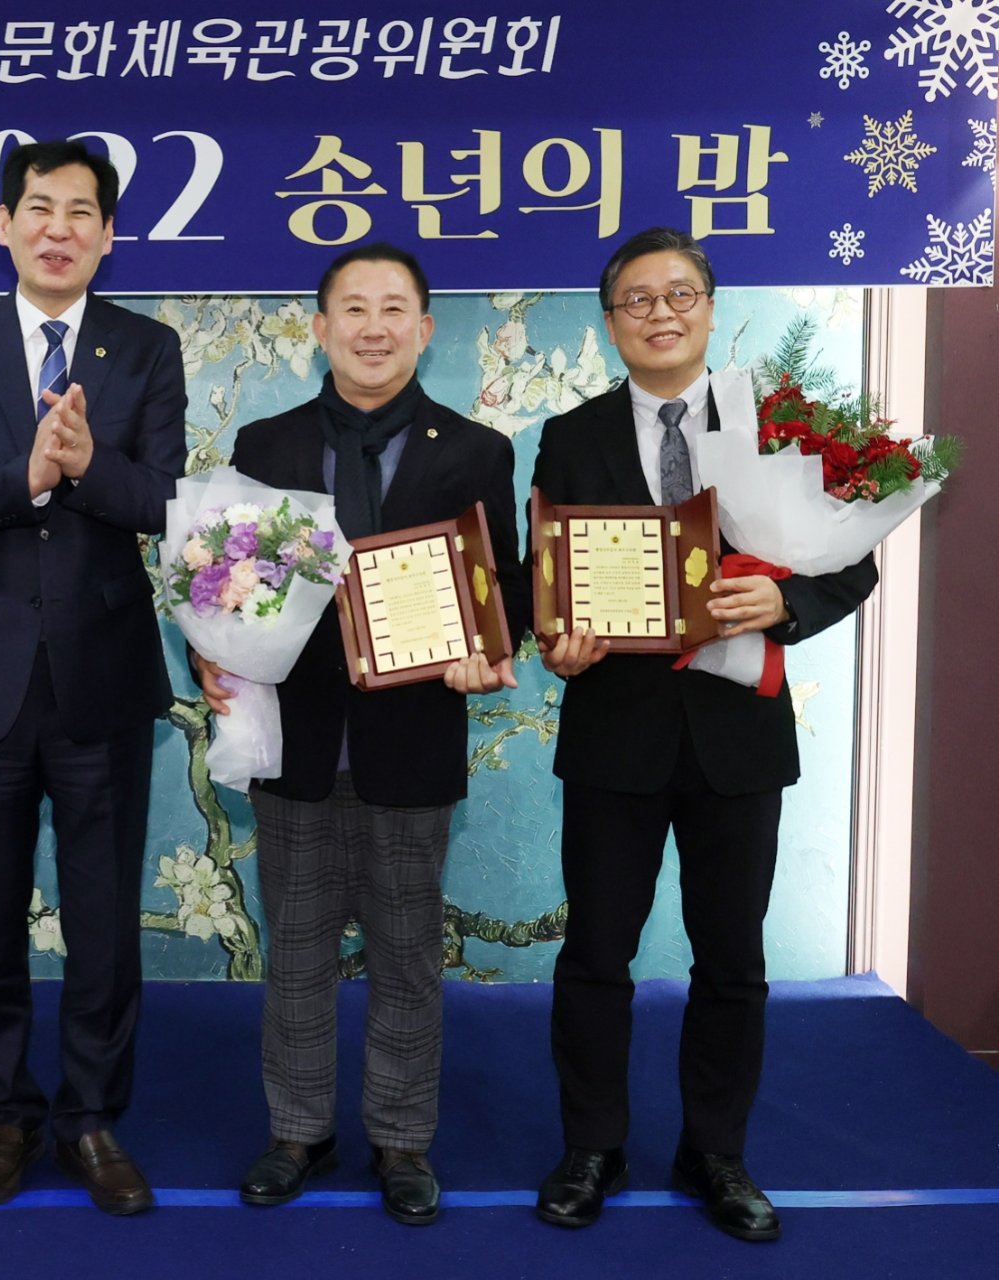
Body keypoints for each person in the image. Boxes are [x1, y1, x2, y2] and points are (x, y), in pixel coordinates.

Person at [529, 227, 878, 1241]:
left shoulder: (777, 423)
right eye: (636, 299)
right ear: (610, 323)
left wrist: (787, 604)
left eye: (678, 293)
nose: (660, 313)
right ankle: (591, 1146)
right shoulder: (570, 433)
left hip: (737, 733)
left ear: (710, 308)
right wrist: (556, 640)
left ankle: (714, 1150)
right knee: (595, 953)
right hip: (614, 731)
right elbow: (548, 569)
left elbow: (852, 558)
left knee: (731, 959)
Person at [195, 245, 524, 1225]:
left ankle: (400, 1139)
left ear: (423, 328)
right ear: (319, 328)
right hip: (293, 741)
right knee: (294, 954)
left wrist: (486, 647)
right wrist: (210, 654)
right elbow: (221, 581)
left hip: (411, 744)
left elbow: (500, 589)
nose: (371, 327)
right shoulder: (265, 445)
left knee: (407, 956)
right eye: (352, 308)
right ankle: (297, 1131)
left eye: (392, 309)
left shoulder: (475, 450)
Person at [0, 139, 186, 1215]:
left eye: (79, 212)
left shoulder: (145, 347)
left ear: (108, 235)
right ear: (4, 225)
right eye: (38, 207)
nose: (57, 228)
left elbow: (162, 498)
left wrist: (87, 466)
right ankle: (6, 1111)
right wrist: (21, 476)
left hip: (100, 673)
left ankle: (91, 1114)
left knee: (102, 912)